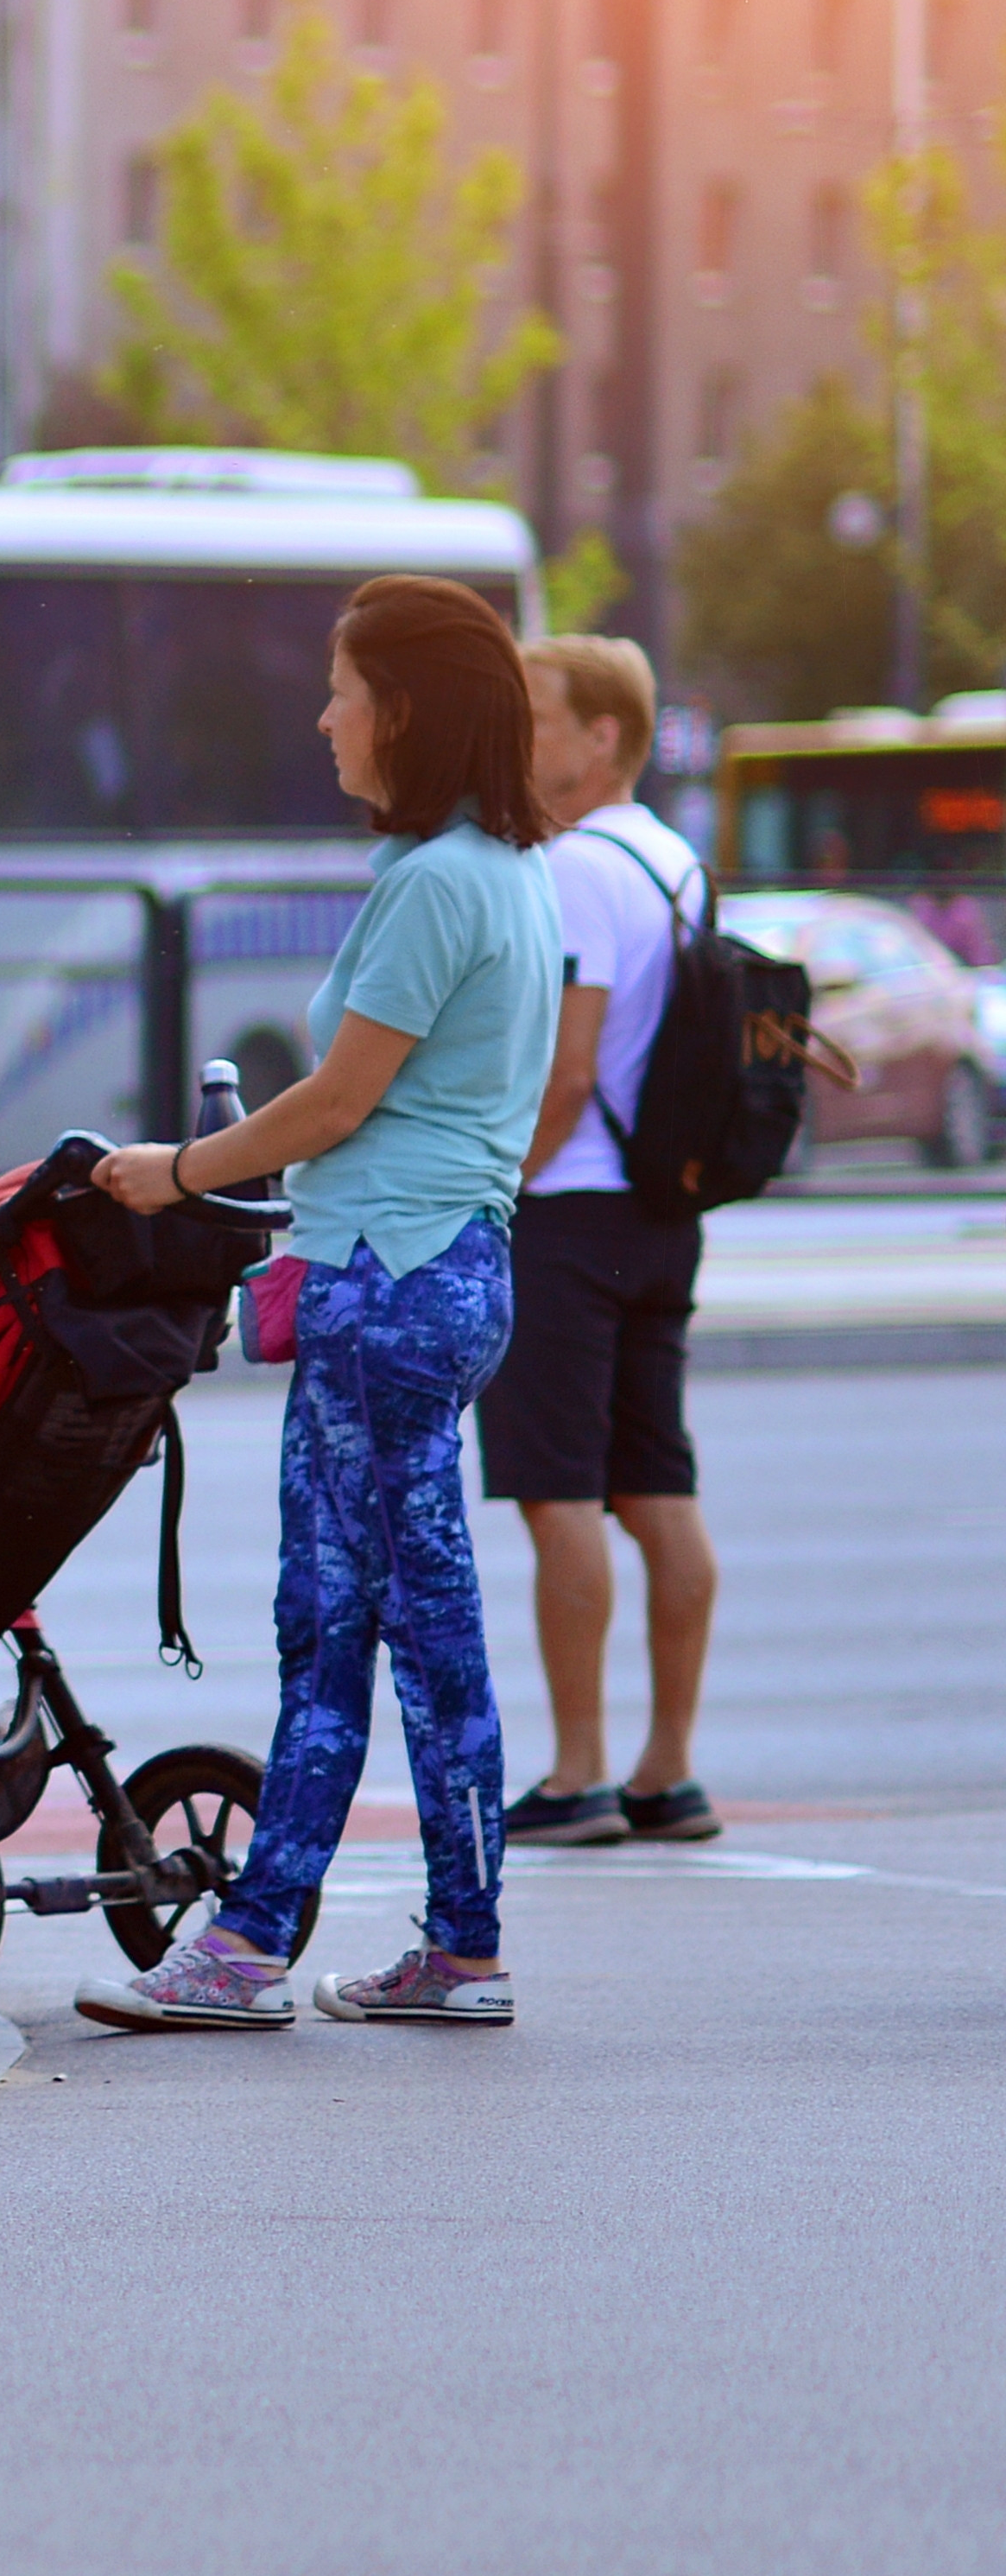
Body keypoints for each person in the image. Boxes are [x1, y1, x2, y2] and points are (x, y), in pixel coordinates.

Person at [83, 573, 561, 2031]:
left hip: (387, 1285)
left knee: (340, 1625)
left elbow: (342, 1098)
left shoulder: (433, 883)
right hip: (449, 1270)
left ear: (403, 711)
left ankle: (252, 1949)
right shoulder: (507, 872)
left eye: (343, 689)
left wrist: (174, 1172)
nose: (324, 716)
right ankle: (445, 1942)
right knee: (409, 1625)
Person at [485, 632, 723, 1849]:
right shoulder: (678, 862)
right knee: (657, 1483)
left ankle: (576, 1772)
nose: (518, 737)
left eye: (536, 715)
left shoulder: (578, 867)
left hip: (570, 1210)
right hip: (659, 1211)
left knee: (557, 1494)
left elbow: (568, 1071)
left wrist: (491, 1189)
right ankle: (666, 1769)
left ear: (605, 738)